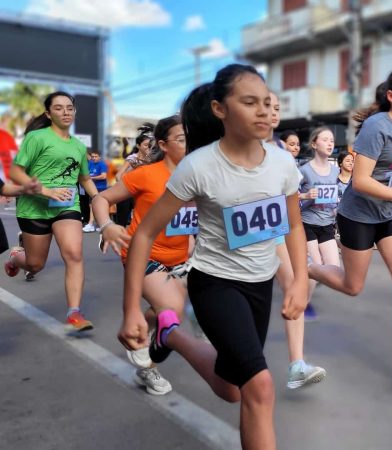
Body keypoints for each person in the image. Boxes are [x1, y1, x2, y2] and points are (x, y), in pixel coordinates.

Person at [119, 65, 308, 449]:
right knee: (260, 387)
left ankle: (170, 334)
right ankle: (167, 328)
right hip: (216, 284)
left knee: (232, 388)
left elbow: (294, 226)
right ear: (221, 109)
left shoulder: (283, 162)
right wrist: (131, 311)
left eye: (268, 103)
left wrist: (301, 280)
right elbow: (144, 235)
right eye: (250, 102)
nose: (263, 111)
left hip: (260, 285)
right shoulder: (199, 166)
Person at [308, 70, 392, 390]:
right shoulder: (376, 127)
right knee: (352, 285)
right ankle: (309, 268)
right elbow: (361, 181)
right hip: (357, 215)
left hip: (388, 216)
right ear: (391, 96)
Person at [92, 115, 192, 396]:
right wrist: (107, 225)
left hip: (181, 259)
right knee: (171, 309)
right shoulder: (147, 174)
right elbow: (101, 199)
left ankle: (138, 329)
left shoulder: (197, 177)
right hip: (143, 254)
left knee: (173, 313)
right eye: (182, 139)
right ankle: (147, 366)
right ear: (163, 144)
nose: (190, 144)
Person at [6, 91, 99, 332]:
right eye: (58, 108)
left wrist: (99, 198)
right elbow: (16, 173)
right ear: (48, 113)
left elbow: (85, 178)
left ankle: (74, 313)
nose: (65, 112)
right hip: (34, 207)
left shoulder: (78, 146)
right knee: (35, 265)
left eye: (69, 107)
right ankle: (17, 257)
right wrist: (45, 191)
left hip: (67, 206)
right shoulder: (37, 138)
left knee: (74, 254)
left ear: (75, 111)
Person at [267, 91, 326, 388]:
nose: (272, 111)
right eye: (263, 105)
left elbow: (292, 216)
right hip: (233, 245)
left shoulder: (282, 157)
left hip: (274, 232)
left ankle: (297, 365)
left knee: (293, 288)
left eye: (276, 107)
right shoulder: (224, 154)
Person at [298, 127, 340, 322]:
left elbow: (334, 195)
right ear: (314, 144)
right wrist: (306, 195)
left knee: (333, 269)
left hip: (327, 223)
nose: (330, 143)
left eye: (332, 140)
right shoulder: (304, 171)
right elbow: (289, 196)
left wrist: (335, 206)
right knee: (315, 267)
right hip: (307, 223)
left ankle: (304, 277)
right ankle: (303, 304)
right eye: (325, 140)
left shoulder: (336, 170)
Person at [114, 125, 153, 226]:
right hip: (128, 194)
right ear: (138, 146)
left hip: (143, 194)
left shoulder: (152, 160)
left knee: (143, 223)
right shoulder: (133, 159)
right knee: (121, 223)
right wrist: (126, 186)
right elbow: (118, 176)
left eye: (150, 145)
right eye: (145, 145)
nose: (148, 148)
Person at [82, 150, 108, 232]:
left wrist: (91, 178)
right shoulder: (90, 163)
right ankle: (99, 224)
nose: (94, 158)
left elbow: (104, 176)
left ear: (99, 157)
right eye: (93, 156)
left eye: (96, 156)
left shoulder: (102, 164)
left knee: (95, 206)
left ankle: (91, 224)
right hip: (92, 188)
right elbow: (87, 156)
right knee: (92, 206)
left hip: (101, 188)